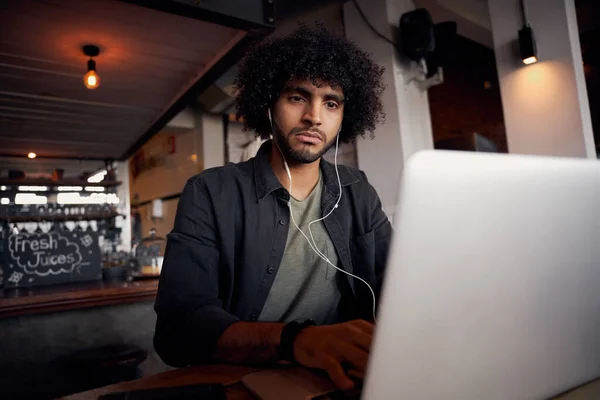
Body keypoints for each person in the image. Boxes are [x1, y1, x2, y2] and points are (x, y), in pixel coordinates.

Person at [154, 25, 391, 391]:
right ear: (268, 103)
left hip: (346, 379)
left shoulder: (358, 191)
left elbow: (396, 286)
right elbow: (178, 328)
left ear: (346, 115)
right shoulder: (210, 191)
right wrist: (298, 341)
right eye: (298, 97)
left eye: (331, 103)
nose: (315, 116)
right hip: (245, 381)